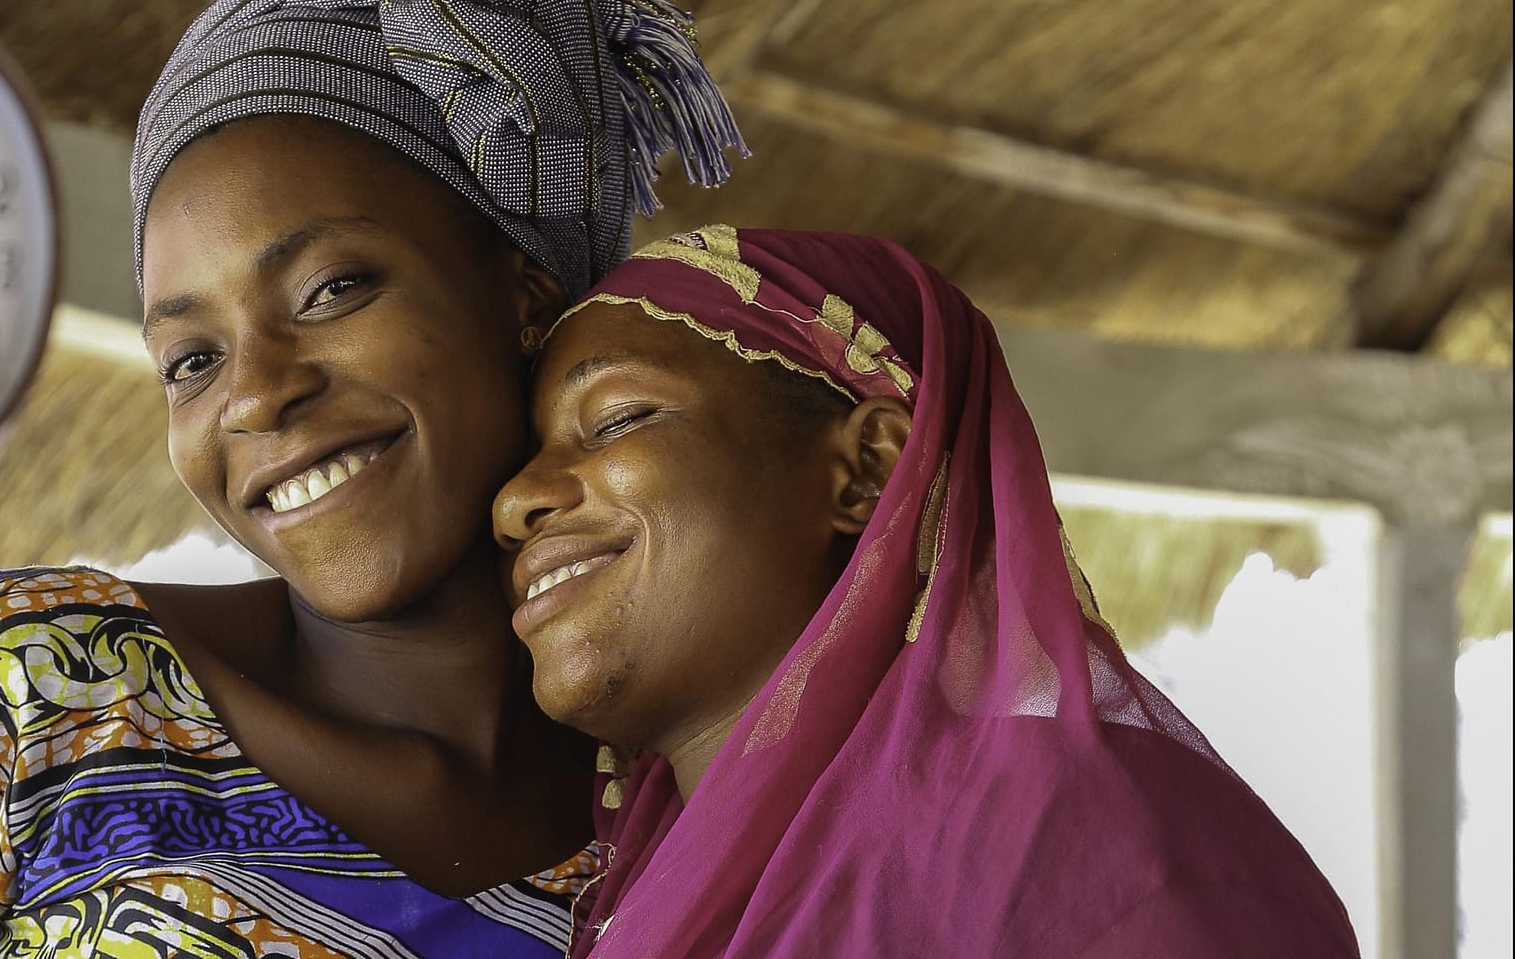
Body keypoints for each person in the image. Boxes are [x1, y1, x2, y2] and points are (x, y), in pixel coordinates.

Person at [0, 0, 743, 958]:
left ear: (522, 297)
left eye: (332, 289)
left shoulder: (699, 805)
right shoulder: (1, 696)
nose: (258, 395)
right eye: (191, 360)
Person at [494, 225, 1360, 958]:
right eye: (520, 461)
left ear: (868, 466)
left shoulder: (1080, 842)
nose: (513, 502)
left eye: (616, 420)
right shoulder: (627, 880)